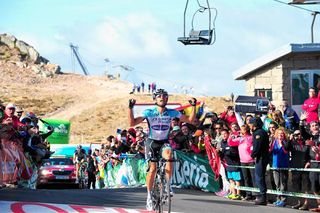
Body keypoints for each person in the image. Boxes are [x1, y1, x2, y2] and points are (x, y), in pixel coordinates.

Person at [128, 88, 196, 211]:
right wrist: (130, 108)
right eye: (159, 96)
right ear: (155, 99)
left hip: (164, 142)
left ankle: (167, 185)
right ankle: (149, 196)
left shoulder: (172, 113)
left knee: (169, 155)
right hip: (152, 142)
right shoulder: (149, 112)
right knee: (153, 169)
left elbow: (190, 120)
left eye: (165, 96)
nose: (162, 98)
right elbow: (132, 123)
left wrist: (194, 106)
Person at [248, 117, 269, 205]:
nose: (249, 125)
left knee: (259, 177)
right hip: (262, 157)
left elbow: (257, 147)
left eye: (251, 123)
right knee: (259, 177)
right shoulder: (260, 132)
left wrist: (252, 155)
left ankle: (263, 197)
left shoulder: (258, 133)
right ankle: (262, 196)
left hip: (261, 157)